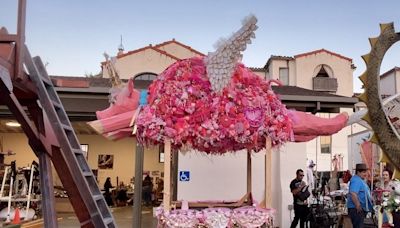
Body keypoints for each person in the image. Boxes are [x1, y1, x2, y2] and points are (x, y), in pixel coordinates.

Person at [347, 163, 373, 228]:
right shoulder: (356, 180)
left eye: (366, 172)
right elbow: (353, 193)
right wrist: (358, 205)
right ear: (358, 172)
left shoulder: (360, 180)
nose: (365, 174)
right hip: (356, 209)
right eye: (364, 172)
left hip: (359, 209)